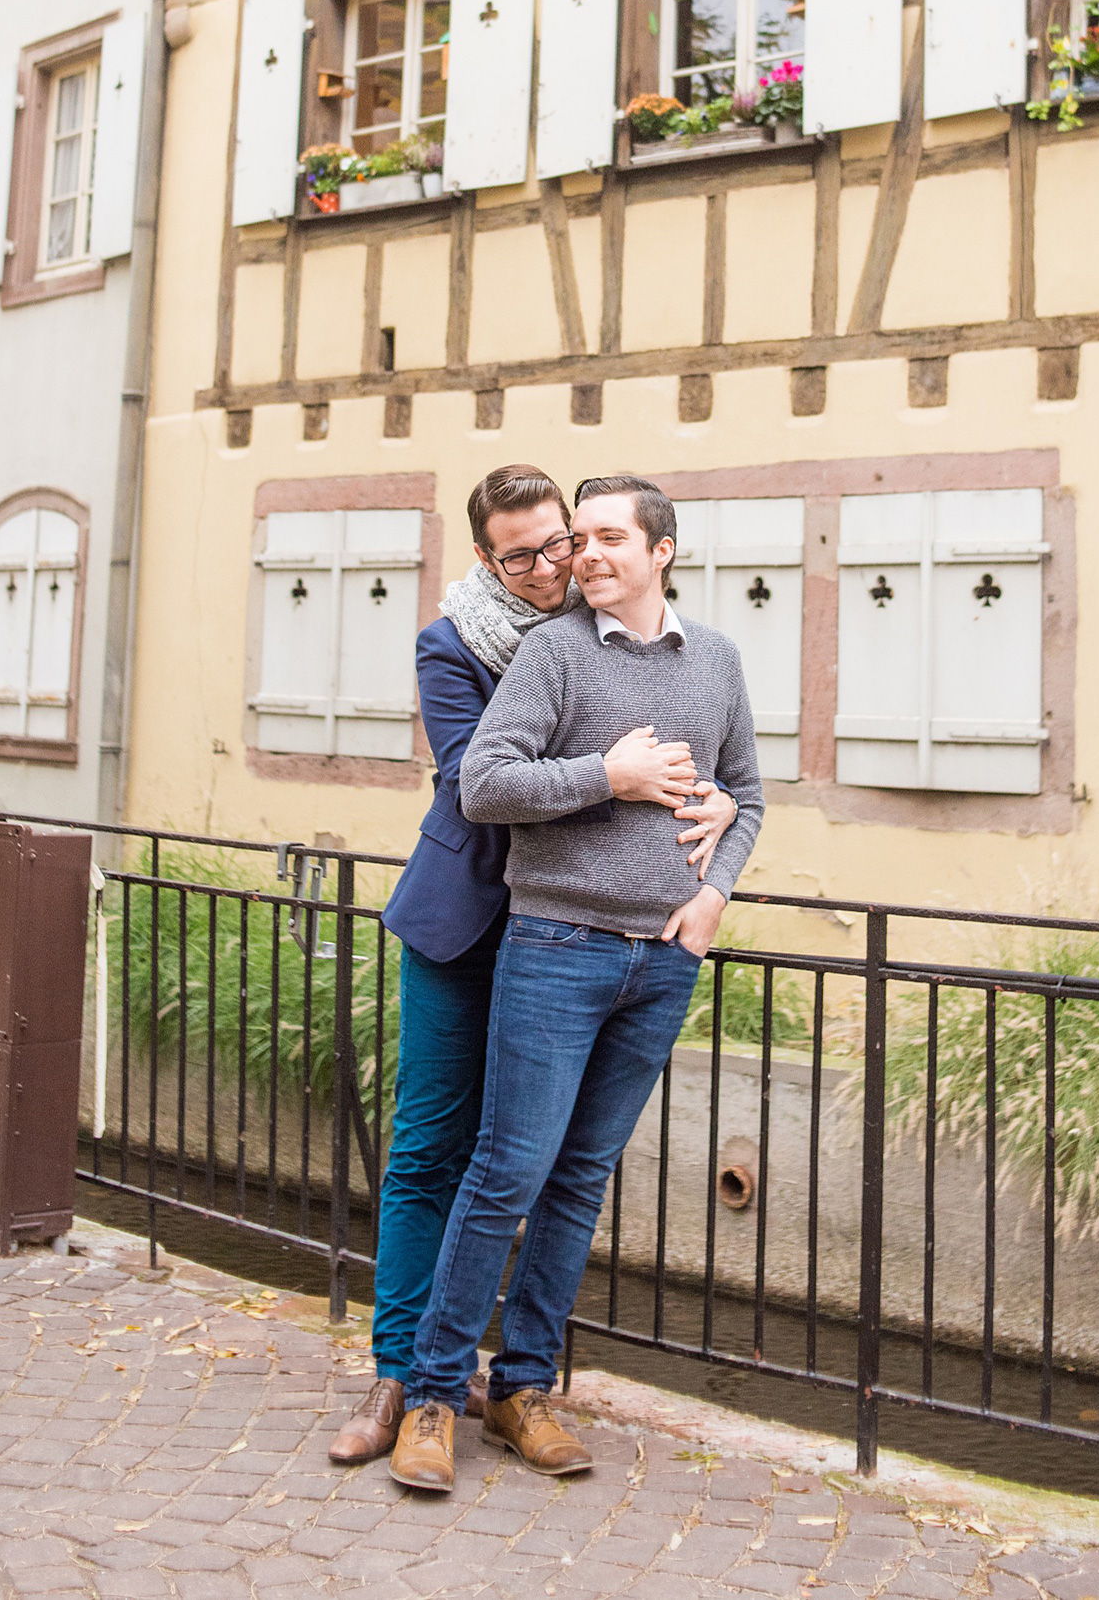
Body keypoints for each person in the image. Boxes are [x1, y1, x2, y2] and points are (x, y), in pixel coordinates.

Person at [327, 463, 737, 1466]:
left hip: (584, 932)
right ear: (486, 559)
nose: (554, 563)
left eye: (562, 541)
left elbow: (720, 765)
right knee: (435, 1149)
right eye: (525, 553)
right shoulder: (459, 642)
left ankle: (507, 1378)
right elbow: (479, 779)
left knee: (546, 1162)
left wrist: (715, 813)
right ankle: (402, 1374)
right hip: (473, 919)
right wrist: (627, 780)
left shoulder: (644, 642)